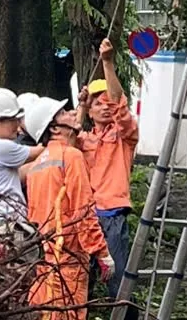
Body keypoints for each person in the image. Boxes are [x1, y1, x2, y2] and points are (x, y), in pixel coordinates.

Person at [24, 96, 115, 320]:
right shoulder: (71, 157)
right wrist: (102, 253)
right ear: (54, 128)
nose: (72, 114)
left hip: (46, 261)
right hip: (69, 259)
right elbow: (83, 210)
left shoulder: (37, 168)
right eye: (64, 112)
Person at [74, 37, 138, 299]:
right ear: (90, 111)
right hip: (85, 217)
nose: (103, 106)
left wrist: (108, 63)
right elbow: (68, 138)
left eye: (105, 102)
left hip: (111, 215)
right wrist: (80, 106)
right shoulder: (84, 141)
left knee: (118, 283)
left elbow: (119, 104)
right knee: (79, 282)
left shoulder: (124, 135)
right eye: (96, 103)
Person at [0, 86, 43, 230]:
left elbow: (20, 174)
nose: (17, 125)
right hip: (3, 221)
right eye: (12, 120)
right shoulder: (0, 147)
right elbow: (41, 151)